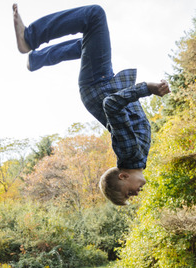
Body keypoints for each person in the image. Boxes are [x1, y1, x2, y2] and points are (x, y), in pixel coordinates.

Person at [12, 4, 170, 205]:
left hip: (98, 84)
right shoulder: (138, 157)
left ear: (123, 177)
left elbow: (111, 104)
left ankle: (29, 38)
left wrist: (148, 88)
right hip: (100, 85)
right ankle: (35, 59)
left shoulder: (129, 152)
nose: (136, 195)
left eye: (128, 194)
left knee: (94, 16)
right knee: (87, 44)